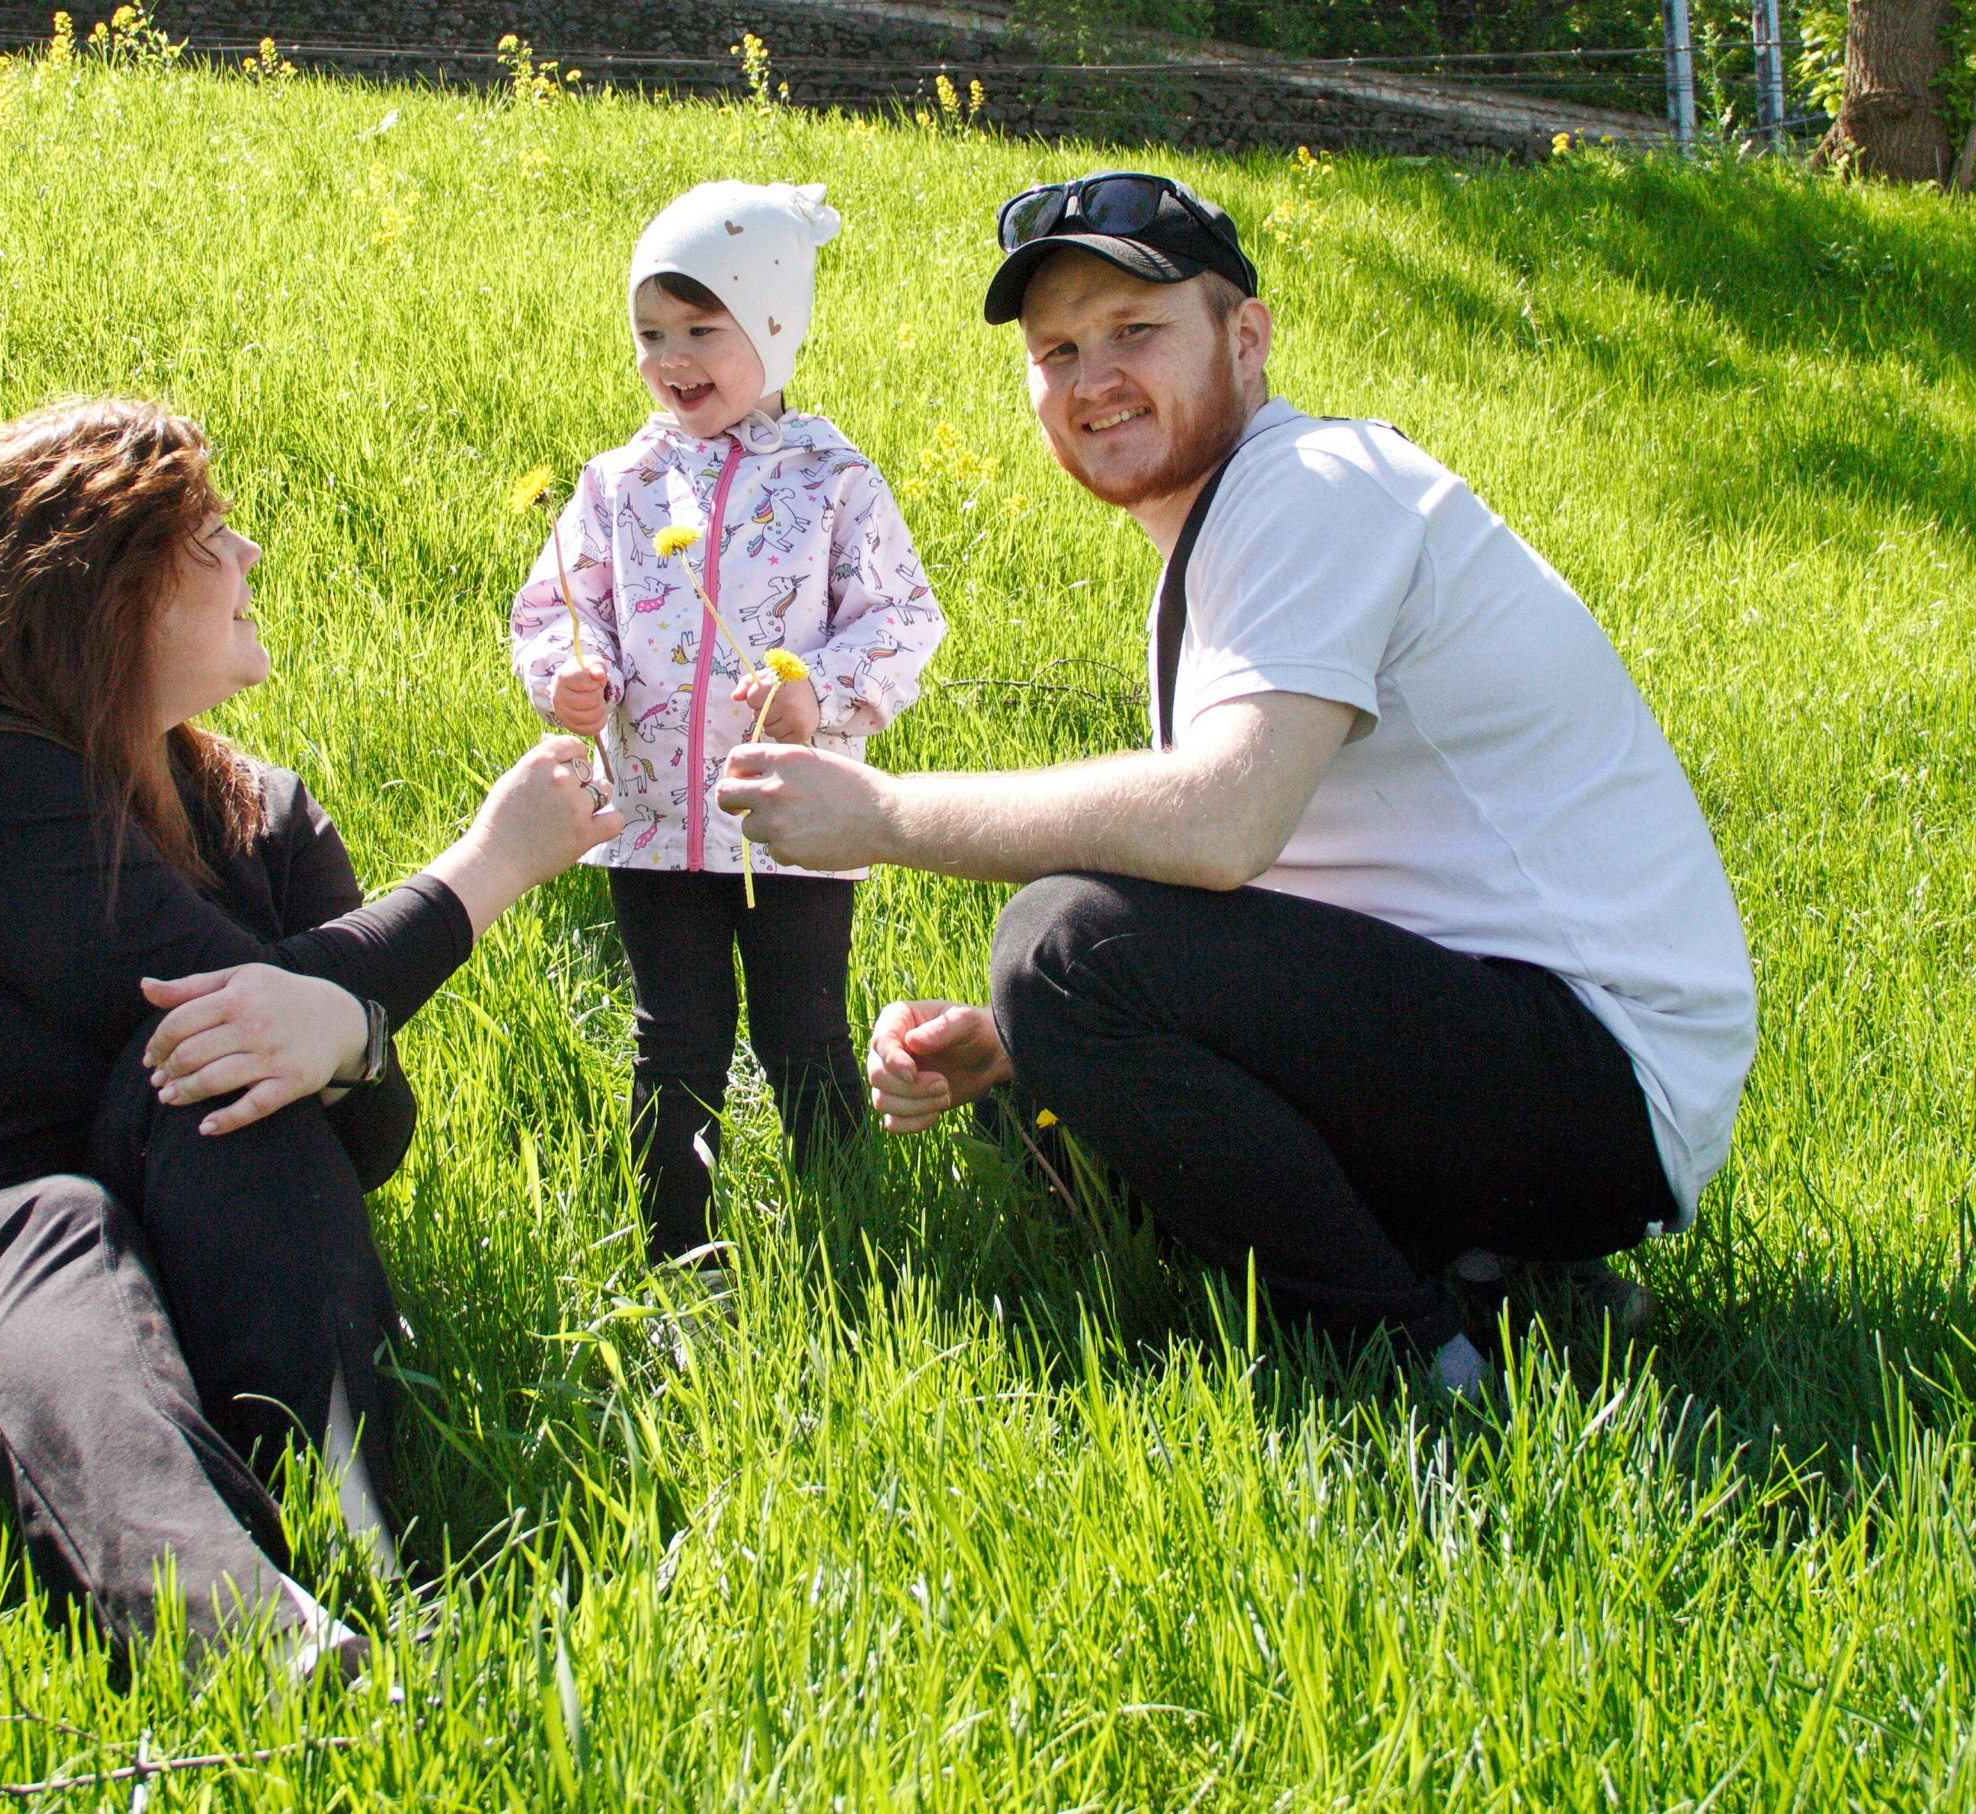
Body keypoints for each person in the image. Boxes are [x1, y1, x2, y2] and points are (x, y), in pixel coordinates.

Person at [720, 172, 1757, 1392]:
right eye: (1057, 350)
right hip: (1528, 1056)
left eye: (1135, 330)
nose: (1093, 377)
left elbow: (1219, 826)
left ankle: (1416, 1357)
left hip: (1597, 1077)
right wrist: (1020, 1050)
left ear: (1246, 336)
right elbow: (1298, 894)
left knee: (1064, 945)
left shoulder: (1313, 490)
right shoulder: (1232, 533)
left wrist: (884, 816)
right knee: (1049, 1039)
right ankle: (1517, 1280)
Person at [0, 399, 620, 1676]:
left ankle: (368, 1563)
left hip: (120, 1314)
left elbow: (368, 1134)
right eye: (209, 536)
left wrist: (339, 1031)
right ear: (97, 589)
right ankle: (240, 1635)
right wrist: (485, 869)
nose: (248, 560)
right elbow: (238, 999)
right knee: (66, 1204)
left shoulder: (262, 817)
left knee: (220, 1078)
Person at [510, 180, 946, 1265]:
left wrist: (818, 688)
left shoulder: (835, 480)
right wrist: (573, 670)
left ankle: (849, 1239)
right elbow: (560, 606)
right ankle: (671, 1251)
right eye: (651, 332)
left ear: (773, 329)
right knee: (675, 1038)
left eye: (704, 329)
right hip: (655, 816)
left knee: (802, 1033)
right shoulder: (619, 484)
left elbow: (904, 617)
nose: (673, 356)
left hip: (800, 821)